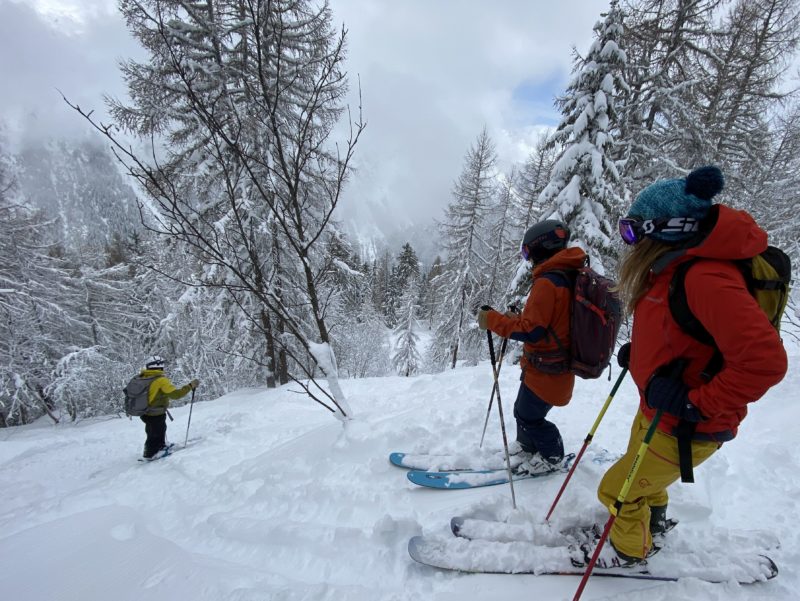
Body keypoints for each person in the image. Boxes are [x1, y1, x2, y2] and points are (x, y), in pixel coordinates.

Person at [596, 165, 787, 567]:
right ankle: (654, 523)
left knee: (618, 491)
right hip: (658, 411)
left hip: (685, 423)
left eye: (633, 231)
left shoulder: (705, 278)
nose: (629, 242)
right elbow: (684, 332)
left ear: (667, 229)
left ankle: (629, 553)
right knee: (640, 478)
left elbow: (765, 362)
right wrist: (643, 355)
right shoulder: (673, 270)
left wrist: (694, 403)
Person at [476, 220, 588, 475]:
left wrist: (492, 320)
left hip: (548, 368)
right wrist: (513, 318)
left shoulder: (548, 282)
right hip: (552, 364)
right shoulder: (567, 275)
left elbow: (532, 330)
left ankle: (552, 456)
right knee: (523, 409)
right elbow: (546, 323)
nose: (527, 259)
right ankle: (527, 445)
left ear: (541, 247)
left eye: (527, 252)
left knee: (529, 415)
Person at [137, 355, 199, 460]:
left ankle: (160, 446)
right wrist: (190, 386)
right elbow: (176, 395)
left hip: (144, 412)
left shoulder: (143, 377)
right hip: (155, 412)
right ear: (159, 366)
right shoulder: (160, 380)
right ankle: (151, 453)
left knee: (153, 431)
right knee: (156, 432)